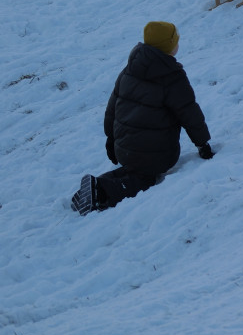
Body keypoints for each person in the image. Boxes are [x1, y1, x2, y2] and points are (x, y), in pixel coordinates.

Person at [71, 22, 214, 216]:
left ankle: (94, 187)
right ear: (169, 46)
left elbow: (112, 108)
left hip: (123, 146)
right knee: (145, 177)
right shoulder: (172, 76)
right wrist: (202, 143)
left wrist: (111, 140)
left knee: (133, 167)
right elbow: (189, 113)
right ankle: (102, 193)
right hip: (157, 151)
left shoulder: (129, 69)